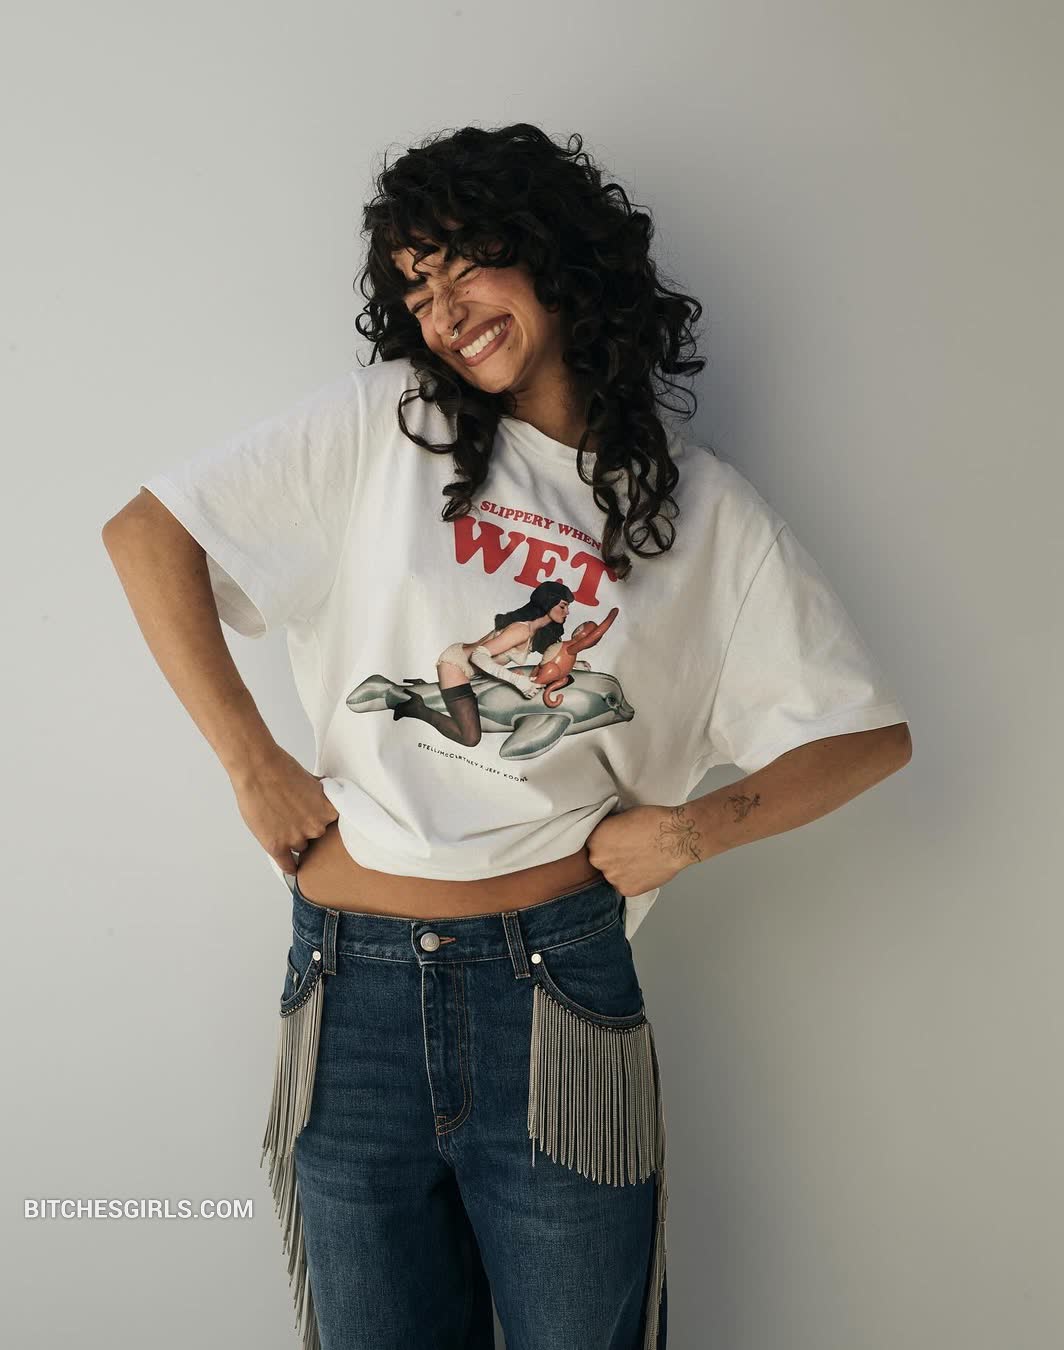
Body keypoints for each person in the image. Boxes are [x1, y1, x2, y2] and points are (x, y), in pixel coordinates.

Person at [101, 123, 912, 1350]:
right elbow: (148, 533)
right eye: (415, 290)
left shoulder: (705, 515)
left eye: (461, 265)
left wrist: (690, 832)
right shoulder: (389, 425)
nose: (441, 313)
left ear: (551, 253)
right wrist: (250, 760)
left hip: (556, 1001)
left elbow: (863, 737)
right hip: (350, 993)